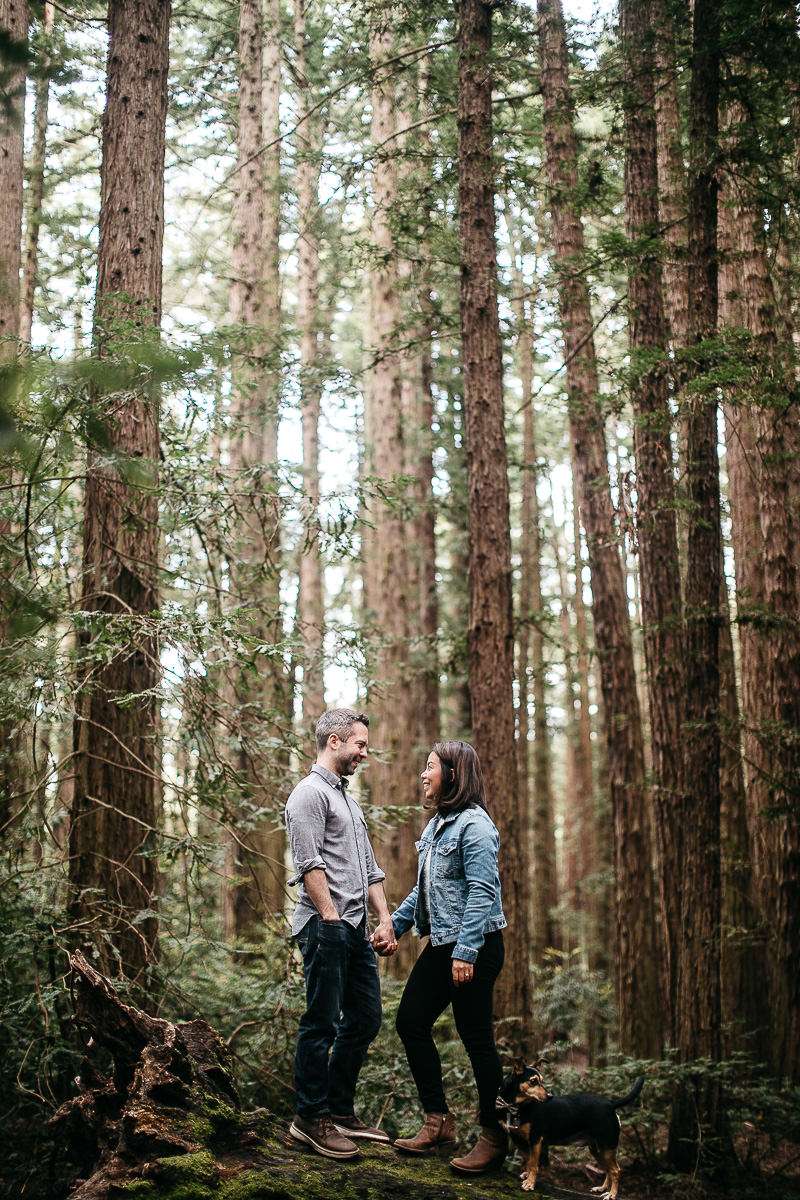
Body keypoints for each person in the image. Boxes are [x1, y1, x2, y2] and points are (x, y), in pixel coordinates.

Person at [391, 740, 508, 1174]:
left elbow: (483, 891)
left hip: (475, 946)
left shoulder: (476, 826)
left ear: (453, 775)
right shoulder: (438, 825)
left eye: (430, 767)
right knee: (410, 1022)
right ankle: (438, 1121)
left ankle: (495, 1135)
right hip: (443, 943)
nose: (423, 775)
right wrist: (395, 926)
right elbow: (425, 890)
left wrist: (467, 951)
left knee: (476, 1038)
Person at [286, 708, 398, 1160]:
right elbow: (308, 863)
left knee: (366, 1018)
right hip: (325, 925)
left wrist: (385, 919)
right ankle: (310, 1119)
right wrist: (331, 919)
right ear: (334, 741)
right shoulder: (307, 795)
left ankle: (338, 1108)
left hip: (355, 928)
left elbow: (369, 868)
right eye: (360, 744)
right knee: (321, 1022)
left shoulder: (348, 801)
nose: (364, 753)